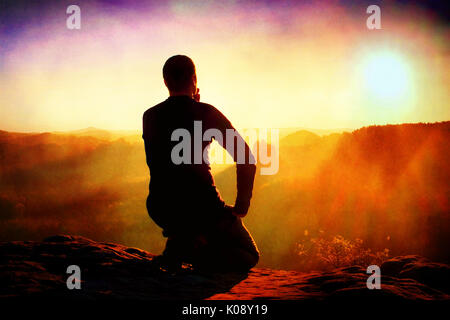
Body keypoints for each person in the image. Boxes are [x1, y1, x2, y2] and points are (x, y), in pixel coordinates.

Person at [142, 55, 259, 272]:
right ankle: (192, 251)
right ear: (194, 79)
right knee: (249, 254)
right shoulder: (206, 113)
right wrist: (241, 206)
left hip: (161, 207)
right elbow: (246, 159)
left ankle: (183, 238)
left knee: (185, 221)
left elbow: (165, 161)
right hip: (203, 209)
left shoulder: (150, 116)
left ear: (166, 82)